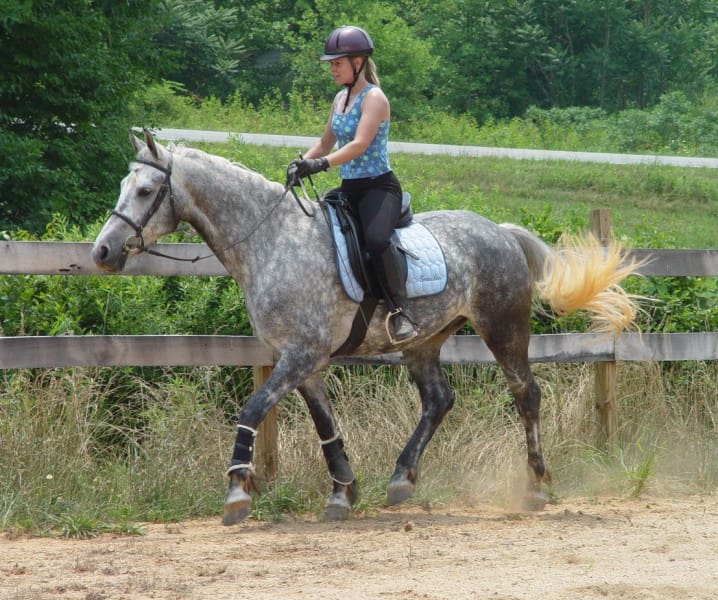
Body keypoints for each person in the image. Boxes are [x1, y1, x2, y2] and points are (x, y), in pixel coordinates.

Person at [286, 25, 418, 342]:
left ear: (357, 62)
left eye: (337, 63)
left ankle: (402, 312)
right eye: (331, 64)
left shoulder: (375, 99)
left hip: (378, 187)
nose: (332, 69)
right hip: (349, 189)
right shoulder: (341, 99)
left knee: (376, 240)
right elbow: (324, 143)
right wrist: (301, 162)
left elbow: (359, 144)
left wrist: (321, 164)